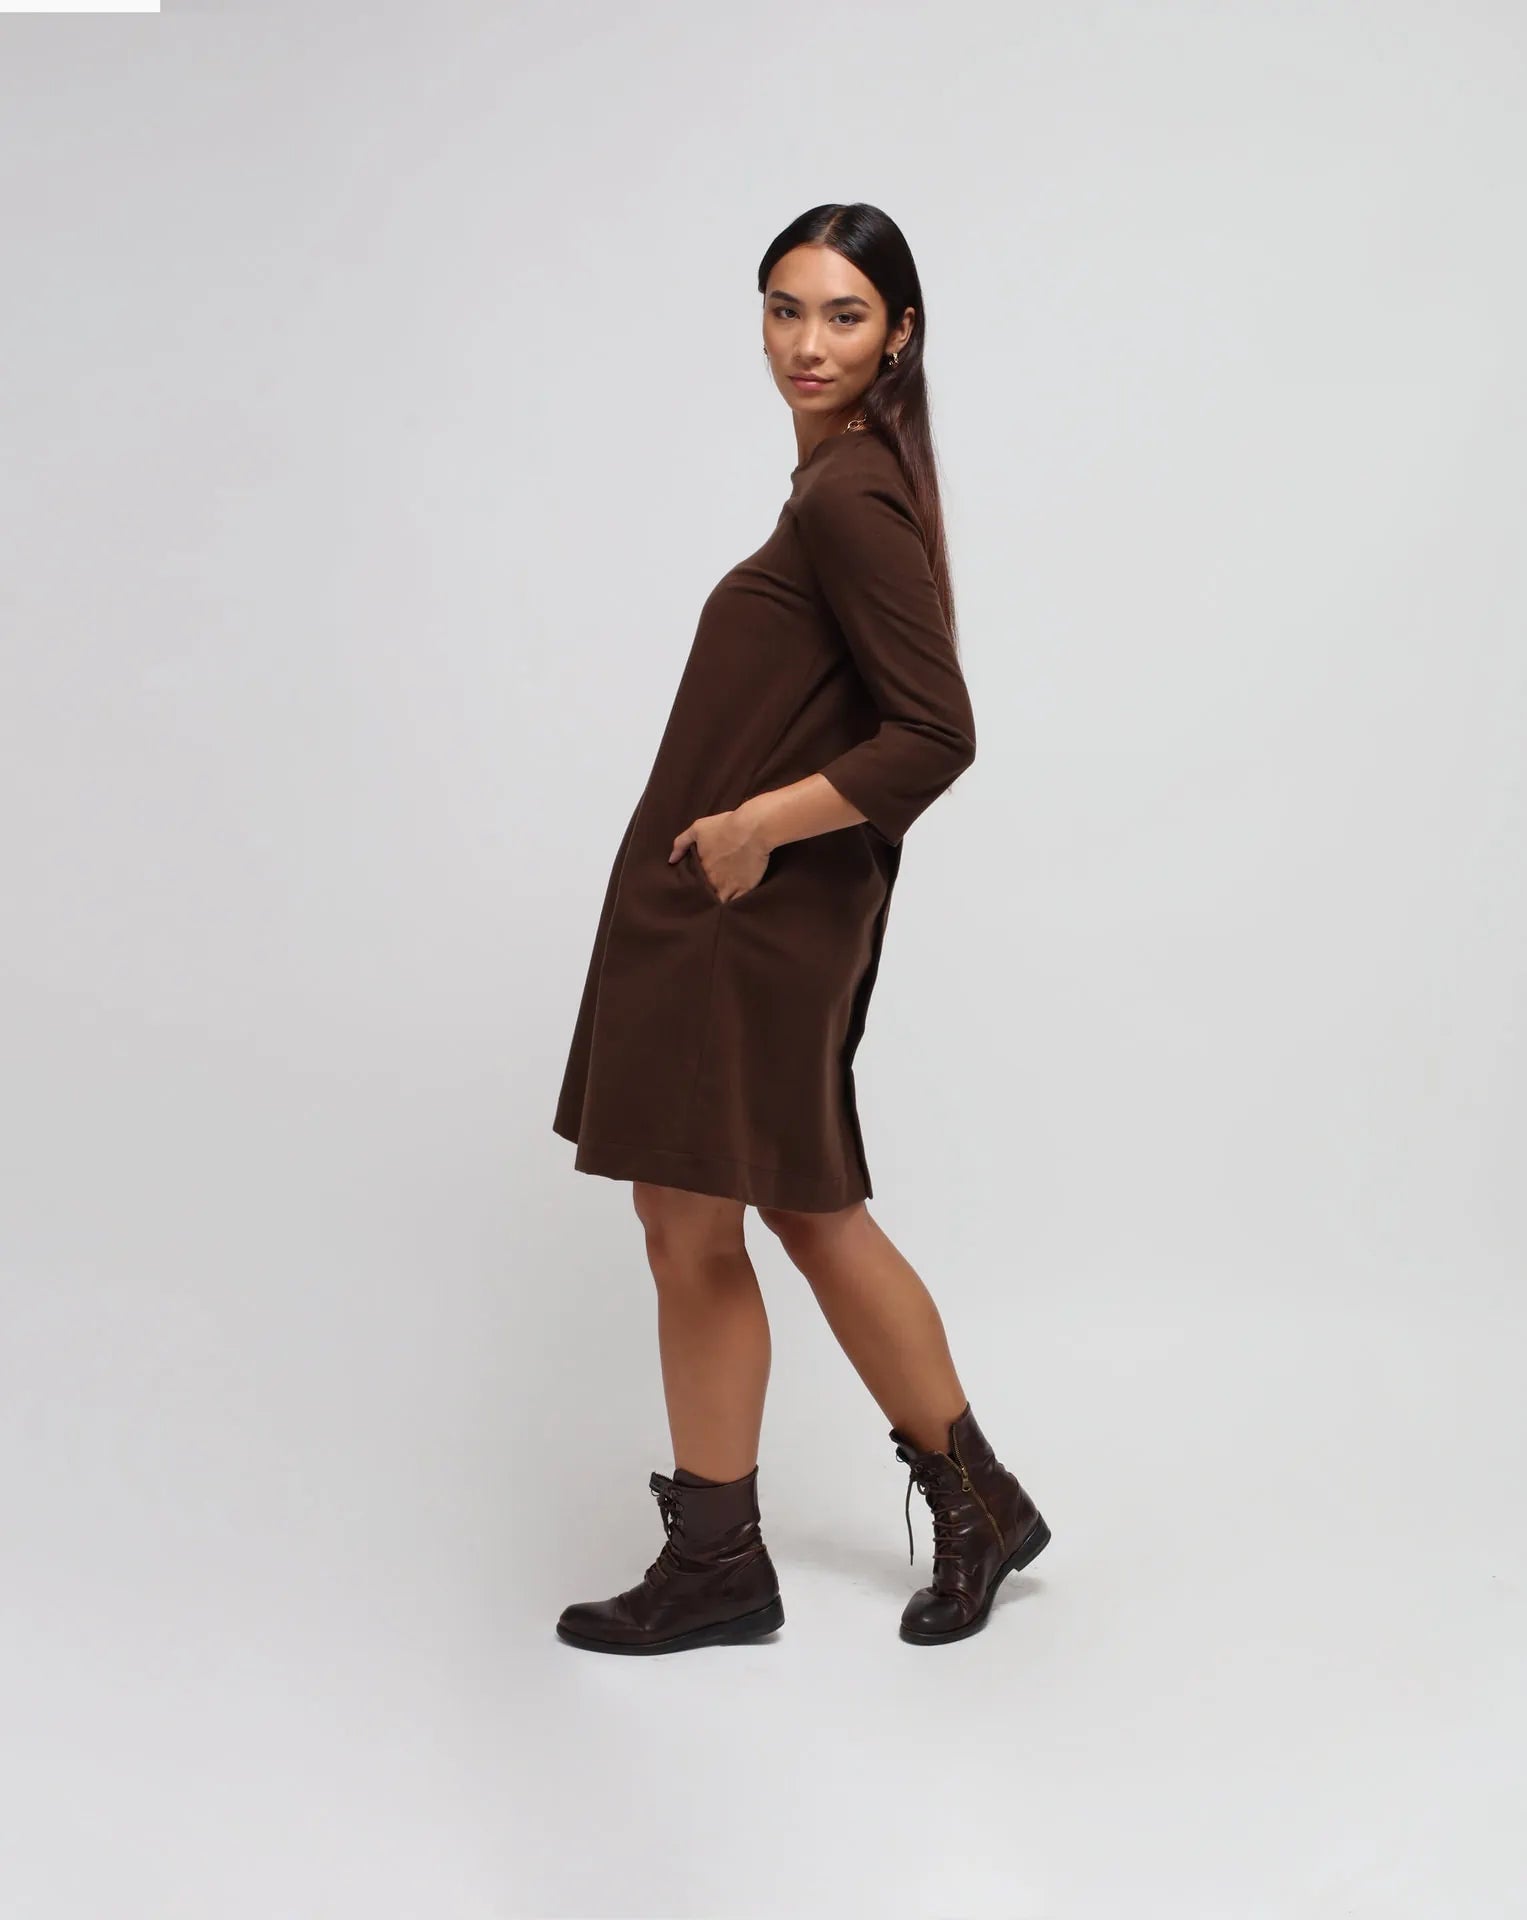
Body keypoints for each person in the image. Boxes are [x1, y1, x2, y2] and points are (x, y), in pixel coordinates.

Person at [551, 202, 1050, 1653]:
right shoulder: (842, 486)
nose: (807, 342)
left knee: (739, 1221)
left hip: (738, 922)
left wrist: (757, 826)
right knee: (742, 1216)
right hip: (730, 921)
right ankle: (947, 1506)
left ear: (899, 333)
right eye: (784, 309)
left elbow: (936, 733)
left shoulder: (848, 499)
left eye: (843, 314)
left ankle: (738, 1557)